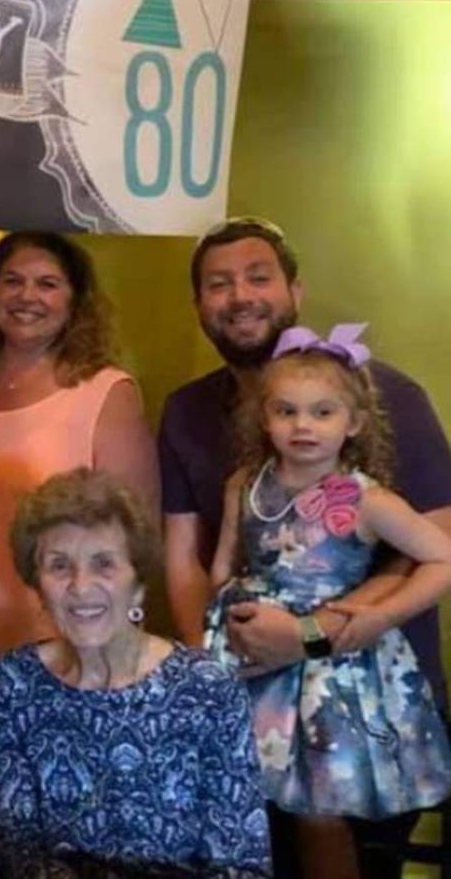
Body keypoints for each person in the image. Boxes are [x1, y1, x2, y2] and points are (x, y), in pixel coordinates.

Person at [158, 217, 451, 877]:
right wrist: (214, 663)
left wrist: (314, 633)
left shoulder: (385, 402)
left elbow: (437, 543)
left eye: (258, 276)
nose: (240, 295)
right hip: (249, 681)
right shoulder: (196, 423)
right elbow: (193, 561)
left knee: (336, 845)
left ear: (295, 288)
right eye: (218, 283)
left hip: (357, 691)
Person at [0, 230, 157, 878]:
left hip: (53, 662)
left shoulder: (103, 391)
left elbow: (138, 537)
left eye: (47, 282)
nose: (27, 296)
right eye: (13, 280)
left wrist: (119, 661)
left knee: (45, 847)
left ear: (75, 300)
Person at [0, 468, 270, 879]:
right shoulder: (11, 684)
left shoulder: (208, 689)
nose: (81, 587)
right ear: (37, 586)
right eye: (59, 566)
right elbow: (20, 851)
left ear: (138, 584)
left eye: (104, 565)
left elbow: (243, 864)